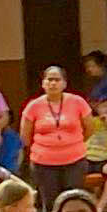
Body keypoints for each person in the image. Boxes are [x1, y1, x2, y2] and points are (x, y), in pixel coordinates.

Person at [19, 63, 95, 198]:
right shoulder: (33, 106)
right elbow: (25, 136)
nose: (53, 83)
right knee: (51, 204)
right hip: (43, 163)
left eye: (57, 80)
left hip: (75, 161)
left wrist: (72, 143)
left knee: (73, 200)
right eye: (49, 79)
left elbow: (89, 128)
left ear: (64, 84)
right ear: (43, 83)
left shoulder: (78, 102)